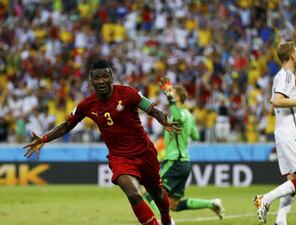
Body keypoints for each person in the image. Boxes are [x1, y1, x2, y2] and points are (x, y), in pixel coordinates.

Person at [23, 59, 180, 225]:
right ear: (91, 81)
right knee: (133, 193)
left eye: (104, 77)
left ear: (111, 77)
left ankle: (166, 219)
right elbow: (67, 125)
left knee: (158, 195)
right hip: (120, 157)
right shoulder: (86, 105)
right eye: (96, 78)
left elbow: (153, 110)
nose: (101, 81)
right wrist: (45, 138)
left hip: (144, 153)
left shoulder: (128, 93)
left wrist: (165, 121)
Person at [253, 41, 296, 225]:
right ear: (291, 56)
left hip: (283, 133)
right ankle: (264, 199)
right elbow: (277, 101)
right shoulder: (287, 76)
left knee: (293, 179)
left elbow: (282, 99)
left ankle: (280, 221)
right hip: (291, 134)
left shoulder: (282, 77)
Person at [143, 78, 224, 220]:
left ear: (177, 97)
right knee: (174, 204)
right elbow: (196, 135)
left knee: (148, 191)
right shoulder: (190, 116)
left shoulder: (178, 113)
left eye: (171, 92)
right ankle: (212, 204)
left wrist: (170, 98)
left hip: (175, 161)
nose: (169, 94)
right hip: (185, 162)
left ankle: (167, 222)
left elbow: (178, 118)